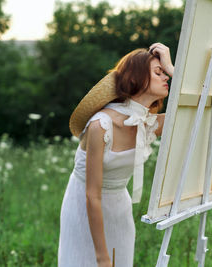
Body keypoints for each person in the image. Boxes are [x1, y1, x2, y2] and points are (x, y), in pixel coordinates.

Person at [58, 43, 174, 267]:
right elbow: (92, 196)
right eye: (158, 73)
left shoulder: (149, 123)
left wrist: (170, 65)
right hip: (84, 204)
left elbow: (204, 106)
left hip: (119, 206)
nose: (166, 77)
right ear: (136, 79)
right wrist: (102, 258)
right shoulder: (101, 125)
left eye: (166, 73)